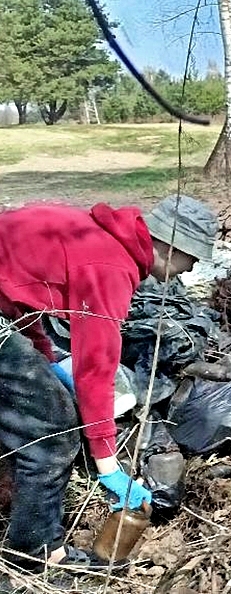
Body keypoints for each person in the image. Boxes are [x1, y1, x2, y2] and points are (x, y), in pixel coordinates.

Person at [0, 195, 216, 573]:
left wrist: (45, 360)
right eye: (191, 257)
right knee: (53, 434)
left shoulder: (100, 238)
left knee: (34, 408)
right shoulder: (109, 265)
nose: (191, 268)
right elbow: (96, 366)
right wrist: (107, 466)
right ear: (170, 244)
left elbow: (21, 295)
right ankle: (31, 558)